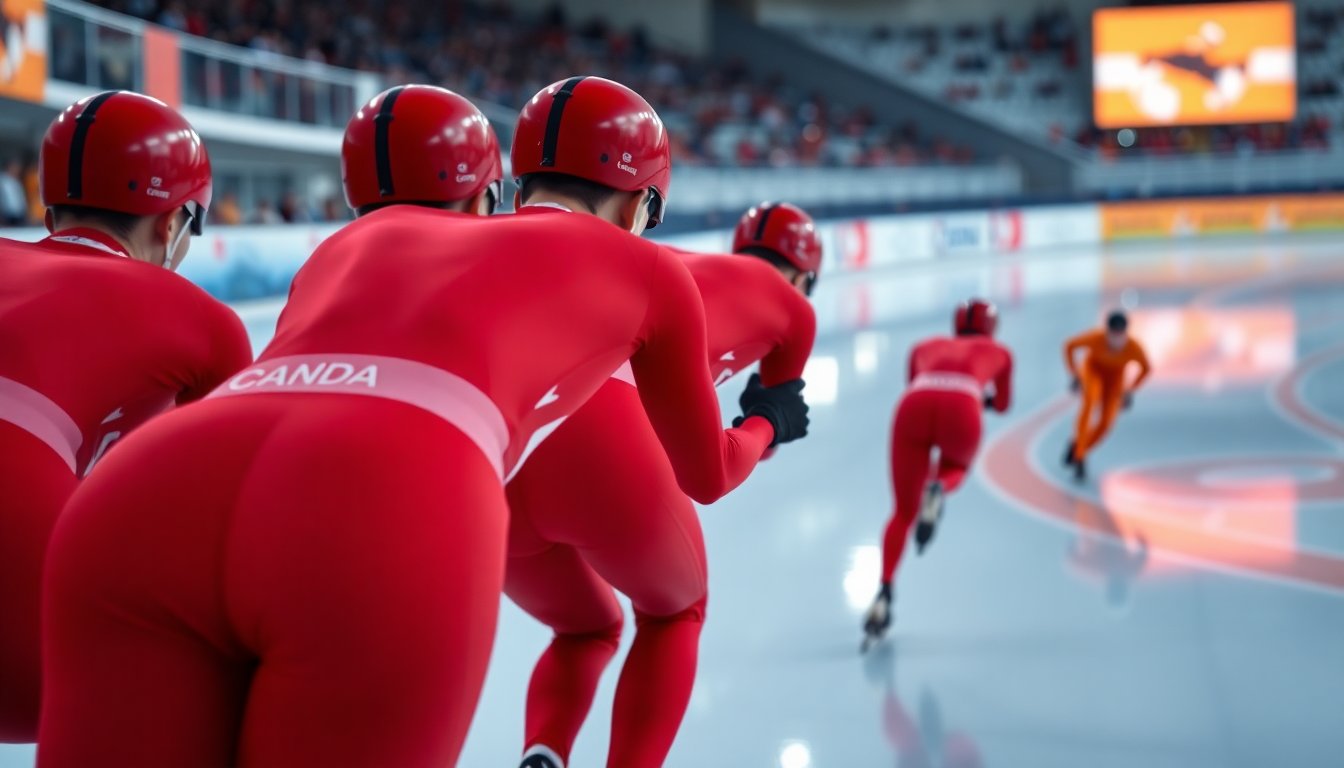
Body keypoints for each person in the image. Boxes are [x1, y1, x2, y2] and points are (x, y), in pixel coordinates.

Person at [38, 79, 807, 768]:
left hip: (153, 483)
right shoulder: (651, 267)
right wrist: (767, 422)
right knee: (675, 606)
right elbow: (706, 474)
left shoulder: (357, 241)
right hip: (402, 478)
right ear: (644, 205)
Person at [506, 201, 820, 768]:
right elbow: (765, 431)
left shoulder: (659, 257)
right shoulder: (794, 310)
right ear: (804, 278)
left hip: (509, 441)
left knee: (585, 628)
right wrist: (765, 421)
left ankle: (543, 751)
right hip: (606, 442)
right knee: (676, 611)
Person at [0, 90, 250, 743]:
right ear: (170, 226)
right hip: (29, 665)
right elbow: (224, 516)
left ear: (48, 209)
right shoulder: (201, 322)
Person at [863, 298, 1013, 651]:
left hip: (915, 404)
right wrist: (981, 400)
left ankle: (884, 592)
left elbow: (914, 382)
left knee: (902, 513)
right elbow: (1003, 405)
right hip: (963, 404)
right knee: (956, 466)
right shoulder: (1001, 353)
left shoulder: (924, 346)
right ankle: (939, 487)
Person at [1062, 310, 1151, 481]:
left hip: (1114, 380)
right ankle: (1079, 457)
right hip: (1093, 372)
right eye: (1113, 335)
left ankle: (1078, 446)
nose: (1116, 340)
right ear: (1106, 332)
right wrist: (1075, 374)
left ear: (1126, 333)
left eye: (1120, 335)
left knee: (1106, 423)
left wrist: (1130, 390)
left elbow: (1146, 369)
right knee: (1089, 403)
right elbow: (1069, 346)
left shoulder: (1133, 347)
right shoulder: (1095, 339)